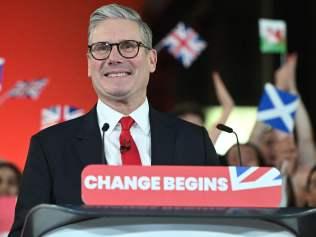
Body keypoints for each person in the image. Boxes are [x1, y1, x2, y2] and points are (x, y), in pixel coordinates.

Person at [9, 4, 218, 236]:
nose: (114, 57)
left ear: (152, 60)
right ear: (89, 64)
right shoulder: (49, 147)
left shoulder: (194, 141)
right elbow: (24, 233)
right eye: (102, 48)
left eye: (128, 46)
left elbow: (219, 227)